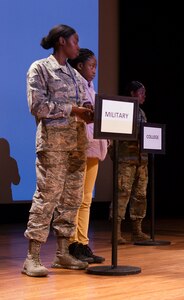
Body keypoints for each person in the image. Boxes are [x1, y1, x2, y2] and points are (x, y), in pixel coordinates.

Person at [22, 24, 94, 277]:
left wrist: (87, 110)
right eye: (75, 41)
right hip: (53, 144)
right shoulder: (40, 68)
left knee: (72, 200)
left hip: (76, 144)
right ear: (62, 41)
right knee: (47, 198)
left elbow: (81, 105)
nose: (78, 46)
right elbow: (38, 106)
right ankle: (31, 257)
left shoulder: (76, 75)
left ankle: (63, 253)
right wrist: (73, 110)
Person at [67, 48, 108, 264]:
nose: (94, 71)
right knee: (76, 199)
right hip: (80, 149)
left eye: (96, 67)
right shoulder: (74, 87)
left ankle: (82, 243)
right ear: (80, 66)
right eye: (91, 66)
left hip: (94, 149)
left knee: (86, 200)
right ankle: (72, 244)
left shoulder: (92, 88)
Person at [109, 81, 150, 244]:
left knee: (140, 195)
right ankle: (116, 232)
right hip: (126, 159)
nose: (144, 96)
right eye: (141, 92)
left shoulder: (142, 112)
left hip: (142, 160)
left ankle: (137, 231)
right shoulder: (121, 110)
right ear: (132, 93)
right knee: (122, 193)